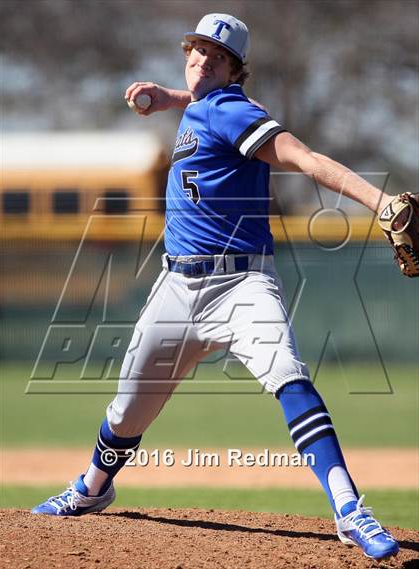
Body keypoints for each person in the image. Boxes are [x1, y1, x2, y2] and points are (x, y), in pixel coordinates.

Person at [32, 13, 399, 561]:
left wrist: (380, 203)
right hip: (176, 288)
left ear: (235, 71)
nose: (203, 59)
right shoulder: (205, 106)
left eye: (217, 56)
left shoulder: (234, 110)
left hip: (242, 286)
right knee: (125, 414)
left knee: (290, 379)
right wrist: (170, 97)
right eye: (197, 49)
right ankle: (92, 489)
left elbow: (304, 158)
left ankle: (350, 510)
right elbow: (206, 102)